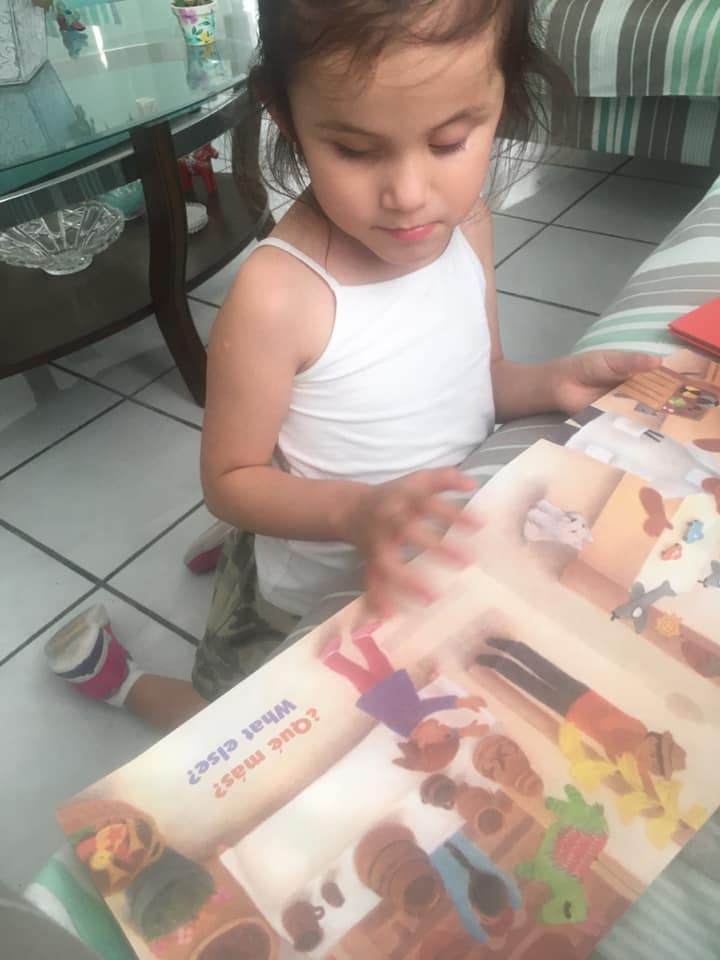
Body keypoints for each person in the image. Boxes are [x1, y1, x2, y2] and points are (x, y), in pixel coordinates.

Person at [45, 0, 659, 730]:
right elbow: (232, 480)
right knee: (245, 723)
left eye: (450, 140)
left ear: (503, 94)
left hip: (425, 560)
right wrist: (354, 512)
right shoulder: (278, 298)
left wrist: (551, 381)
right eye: (357, 151)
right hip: (308, 582)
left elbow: (477, 379)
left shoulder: (467, 222)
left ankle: (244, 548)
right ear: (284, 112)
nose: (407, 195)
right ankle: (128, 682)